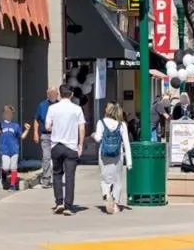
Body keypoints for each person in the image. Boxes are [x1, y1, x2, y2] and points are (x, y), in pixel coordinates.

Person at [45, 83, 86, 215]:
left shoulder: (52, 108)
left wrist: (57, 129)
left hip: (56, 145)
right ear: (72, 95)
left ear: (59, 94)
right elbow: (81, 128)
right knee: (70, 177)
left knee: (57, 174)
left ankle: (59, 203)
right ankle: (68, 205)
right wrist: (80, 145)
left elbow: (47, 127)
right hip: (71, 146)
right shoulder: (77, 109)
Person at [92, 101, 132, 214]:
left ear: (107, 110)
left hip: (104, 155)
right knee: (117, 180)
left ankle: (106, 194)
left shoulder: (101, 122)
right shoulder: (122, 124)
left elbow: (98, 138)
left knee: (104, 179)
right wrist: (129, 162)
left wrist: (93, 135)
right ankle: (115, 204)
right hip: (118, 155)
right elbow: (126, 143)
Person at [0, 105, 30, 190]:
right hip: (4, 150)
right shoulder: (0, 124)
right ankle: (3, 175)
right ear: (3, 114)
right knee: (6, 167)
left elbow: (22, 137)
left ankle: (13, 185)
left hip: (14, 150)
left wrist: (27, 130)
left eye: (10, 113)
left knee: (13, 168)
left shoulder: (15, 125)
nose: (8, 115)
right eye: (6, 113)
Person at [33, 87, 58, 188]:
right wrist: (35, 133)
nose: (52, 94)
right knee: (46, 157)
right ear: (47, 94)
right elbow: (36, 119)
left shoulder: (60, 105)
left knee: (57, 157)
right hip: (45, 135)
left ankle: (57, 179)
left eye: (54, 92)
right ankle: (46, 180)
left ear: (57, 94)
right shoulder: (42, 105)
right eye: (50, 92)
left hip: (58, 136)